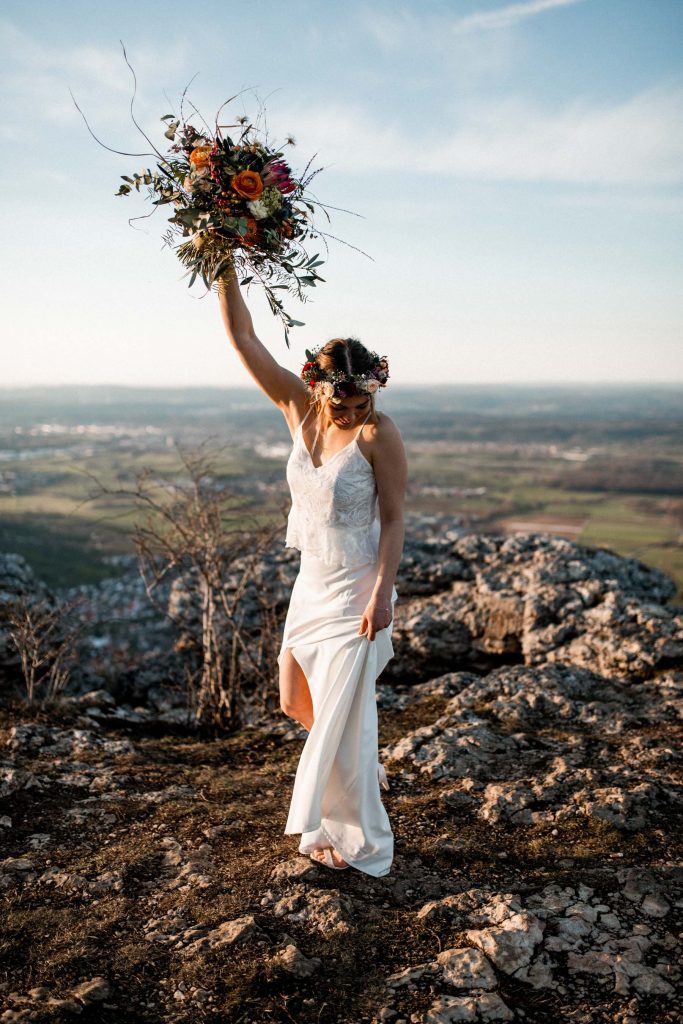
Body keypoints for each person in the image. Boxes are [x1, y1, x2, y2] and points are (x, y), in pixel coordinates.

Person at [217, 265, 407, 876]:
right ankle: (359, 772)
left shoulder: (380, 435)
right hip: (312, 583)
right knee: (293, 699)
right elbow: (245, 341)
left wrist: (381, 597)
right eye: (342, 401)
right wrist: (222, 264)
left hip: (357, 588)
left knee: (344, 720)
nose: (352, 412)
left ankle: (351, 835)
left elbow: (397, 520)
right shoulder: (296, 408)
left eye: (362, 401)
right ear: (320, 389)